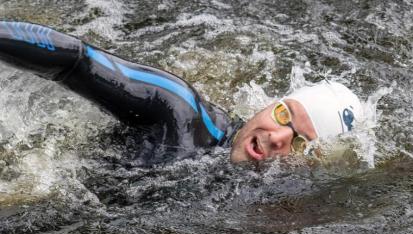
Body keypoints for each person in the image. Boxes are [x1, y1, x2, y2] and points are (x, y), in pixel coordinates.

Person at [0, 21, 363, 163]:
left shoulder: (286, 202)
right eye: (284, 116)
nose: (278, 137)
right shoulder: (178, 111)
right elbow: (77, 59)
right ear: (272, 102)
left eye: (300, 143)